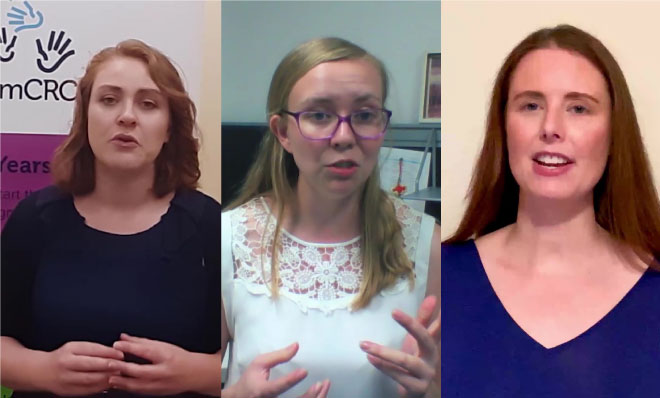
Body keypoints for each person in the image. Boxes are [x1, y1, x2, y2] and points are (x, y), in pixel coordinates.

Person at [442, 24, 660, 397]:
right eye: (531, 105)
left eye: (579, 108)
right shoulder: (435, 278)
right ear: (503, 126)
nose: (551, 128)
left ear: (613, 134)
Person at [220, 38, 441, 398]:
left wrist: (430, 389)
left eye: (365, 115)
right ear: (282, 132)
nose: (344, 137)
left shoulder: (427, 245)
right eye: (319, 115)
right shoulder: (228, 239)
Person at [1, 39, 221, 397]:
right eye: (108, 100)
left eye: (148, 104)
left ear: (168, 128)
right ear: (85, 116)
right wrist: (43, 371)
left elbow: (250, 356)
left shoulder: (209, 225)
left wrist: (192, 374)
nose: (127, 116)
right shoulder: (35, 219)